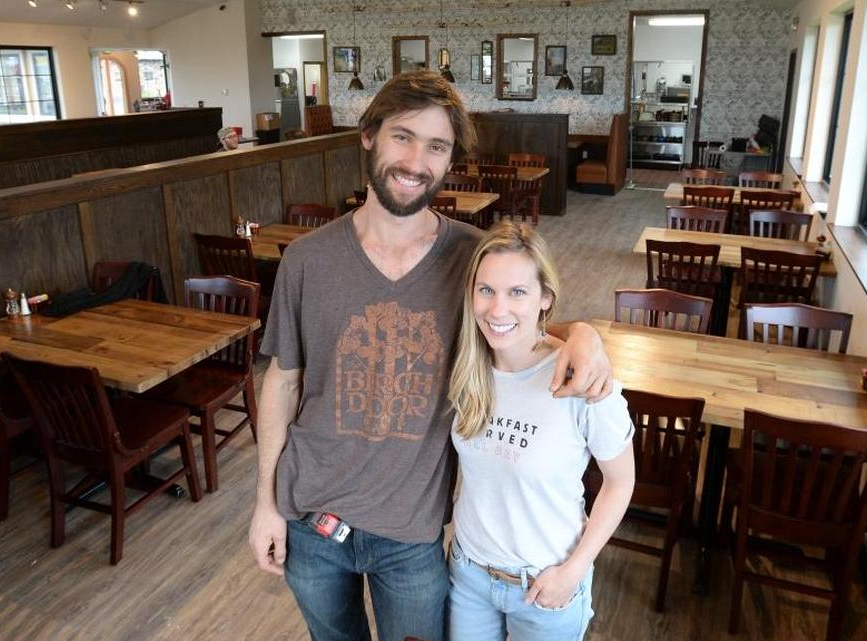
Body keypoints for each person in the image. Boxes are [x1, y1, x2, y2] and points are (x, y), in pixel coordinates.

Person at [248, 70, 614, 641]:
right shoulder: (305, 260)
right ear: (368, 136)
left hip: (412, 535)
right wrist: (264, 502)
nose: (416, 160)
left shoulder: (467, 258)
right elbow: (281, 383)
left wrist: (585, 332)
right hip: (310, 523)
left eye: (436, 146)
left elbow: (517, 318)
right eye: (402, 136)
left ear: (449, 161)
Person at [446, 220, 635, 641]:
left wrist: (574, 570)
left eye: (517, 292)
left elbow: (621, 483)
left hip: (546, 583)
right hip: (470, 575)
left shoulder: (583, 379)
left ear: (544, 298)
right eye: (486, 290)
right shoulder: (466, 370)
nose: (498, 310)